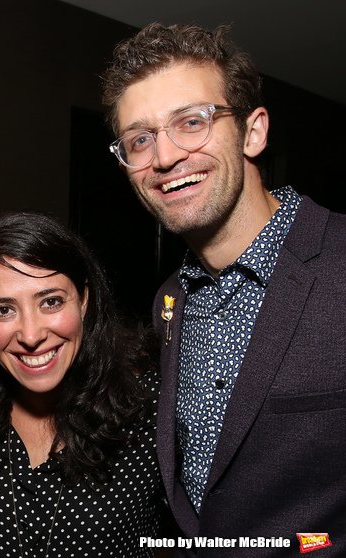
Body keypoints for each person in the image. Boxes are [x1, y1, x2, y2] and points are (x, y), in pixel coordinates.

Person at [102, 22, 346, 556]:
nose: (164, 157)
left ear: (254, 132)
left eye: (191, 122)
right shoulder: (170, 301)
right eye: (140, 139)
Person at [0, 211, 164, 557]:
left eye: (51, 301)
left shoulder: (149, 407)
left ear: (84, 300)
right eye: (3, 310)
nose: (31, 335)